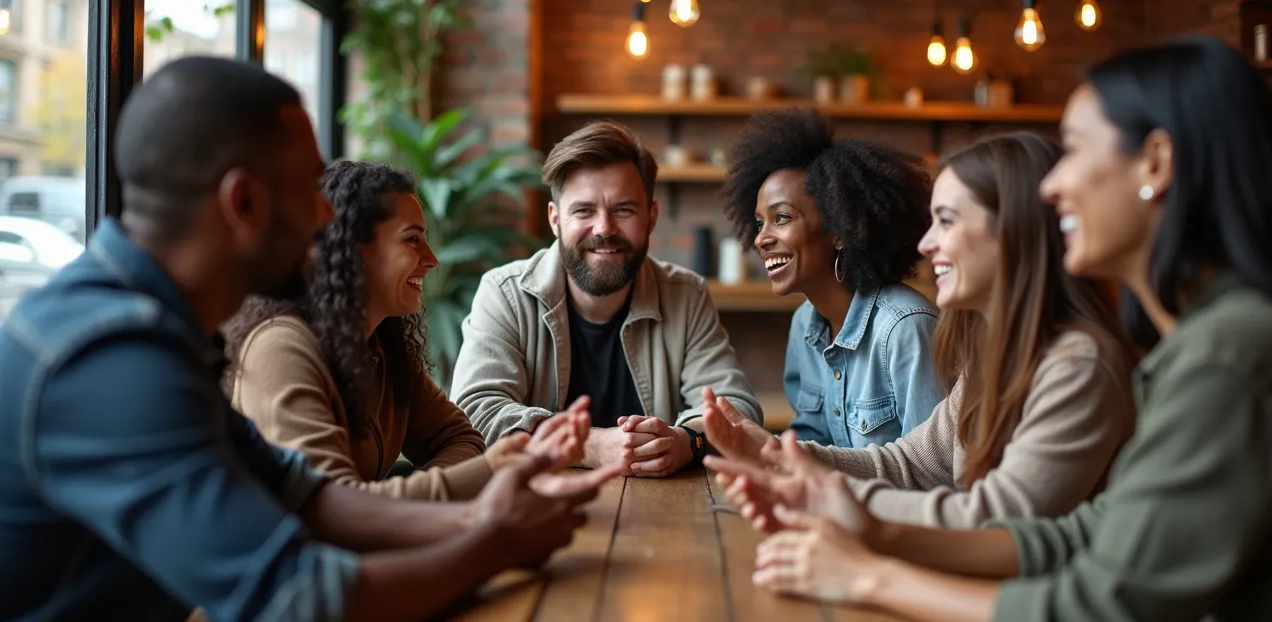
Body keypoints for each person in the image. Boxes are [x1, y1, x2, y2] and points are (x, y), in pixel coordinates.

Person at [711, 36, 1272, 620]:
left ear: (1155, 162)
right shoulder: (1192, 346)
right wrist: (817, 486)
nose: (1053, 187)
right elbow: (1080, 532)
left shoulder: (1222, 354)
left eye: (1075, 150)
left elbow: (1099, 598)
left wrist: (870, 573)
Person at [0, 57, 612, 622]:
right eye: (307, 191)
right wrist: (496, 540)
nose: (327, 221)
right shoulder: (112, 360)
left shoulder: (151, 328)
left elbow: (309, 498)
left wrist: (483, 514)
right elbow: (297, 597)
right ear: (243, 201)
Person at [704, 132, 1137, 529]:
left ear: (1014, 231)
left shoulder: (1079, 365)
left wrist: (821, 495)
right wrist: (776, 455)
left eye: (946, 221)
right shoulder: (996, 354)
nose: (927, 244)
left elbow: (995, 517)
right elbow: (910, 464)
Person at [223, 160, 595, 501]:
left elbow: (460, 438)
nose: (432, 259)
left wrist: (412, 500)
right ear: (353, 249)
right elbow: (333, 508)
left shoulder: (381, 345)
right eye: (413, 239)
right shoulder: (280, 348)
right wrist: (482, 474)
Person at [450, 120, 760, 478]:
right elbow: (474, 410)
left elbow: (736, 407)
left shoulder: (685, 295)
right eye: (583, 211)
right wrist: (590, 446)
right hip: (532, 507)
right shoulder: (504, 293)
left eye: (624, 210)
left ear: (651, 218)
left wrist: (683, 440)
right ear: (555, 220)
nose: (604, 228)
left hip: (661, 514)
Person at [720, 108, 940, 448]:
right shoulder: (804, 325)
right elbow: (815, 443)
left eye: (781, 217)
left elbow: (933, 471)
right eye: (760, 222)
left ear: (839, 230)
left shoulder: (906, 328)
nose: (760, 238)